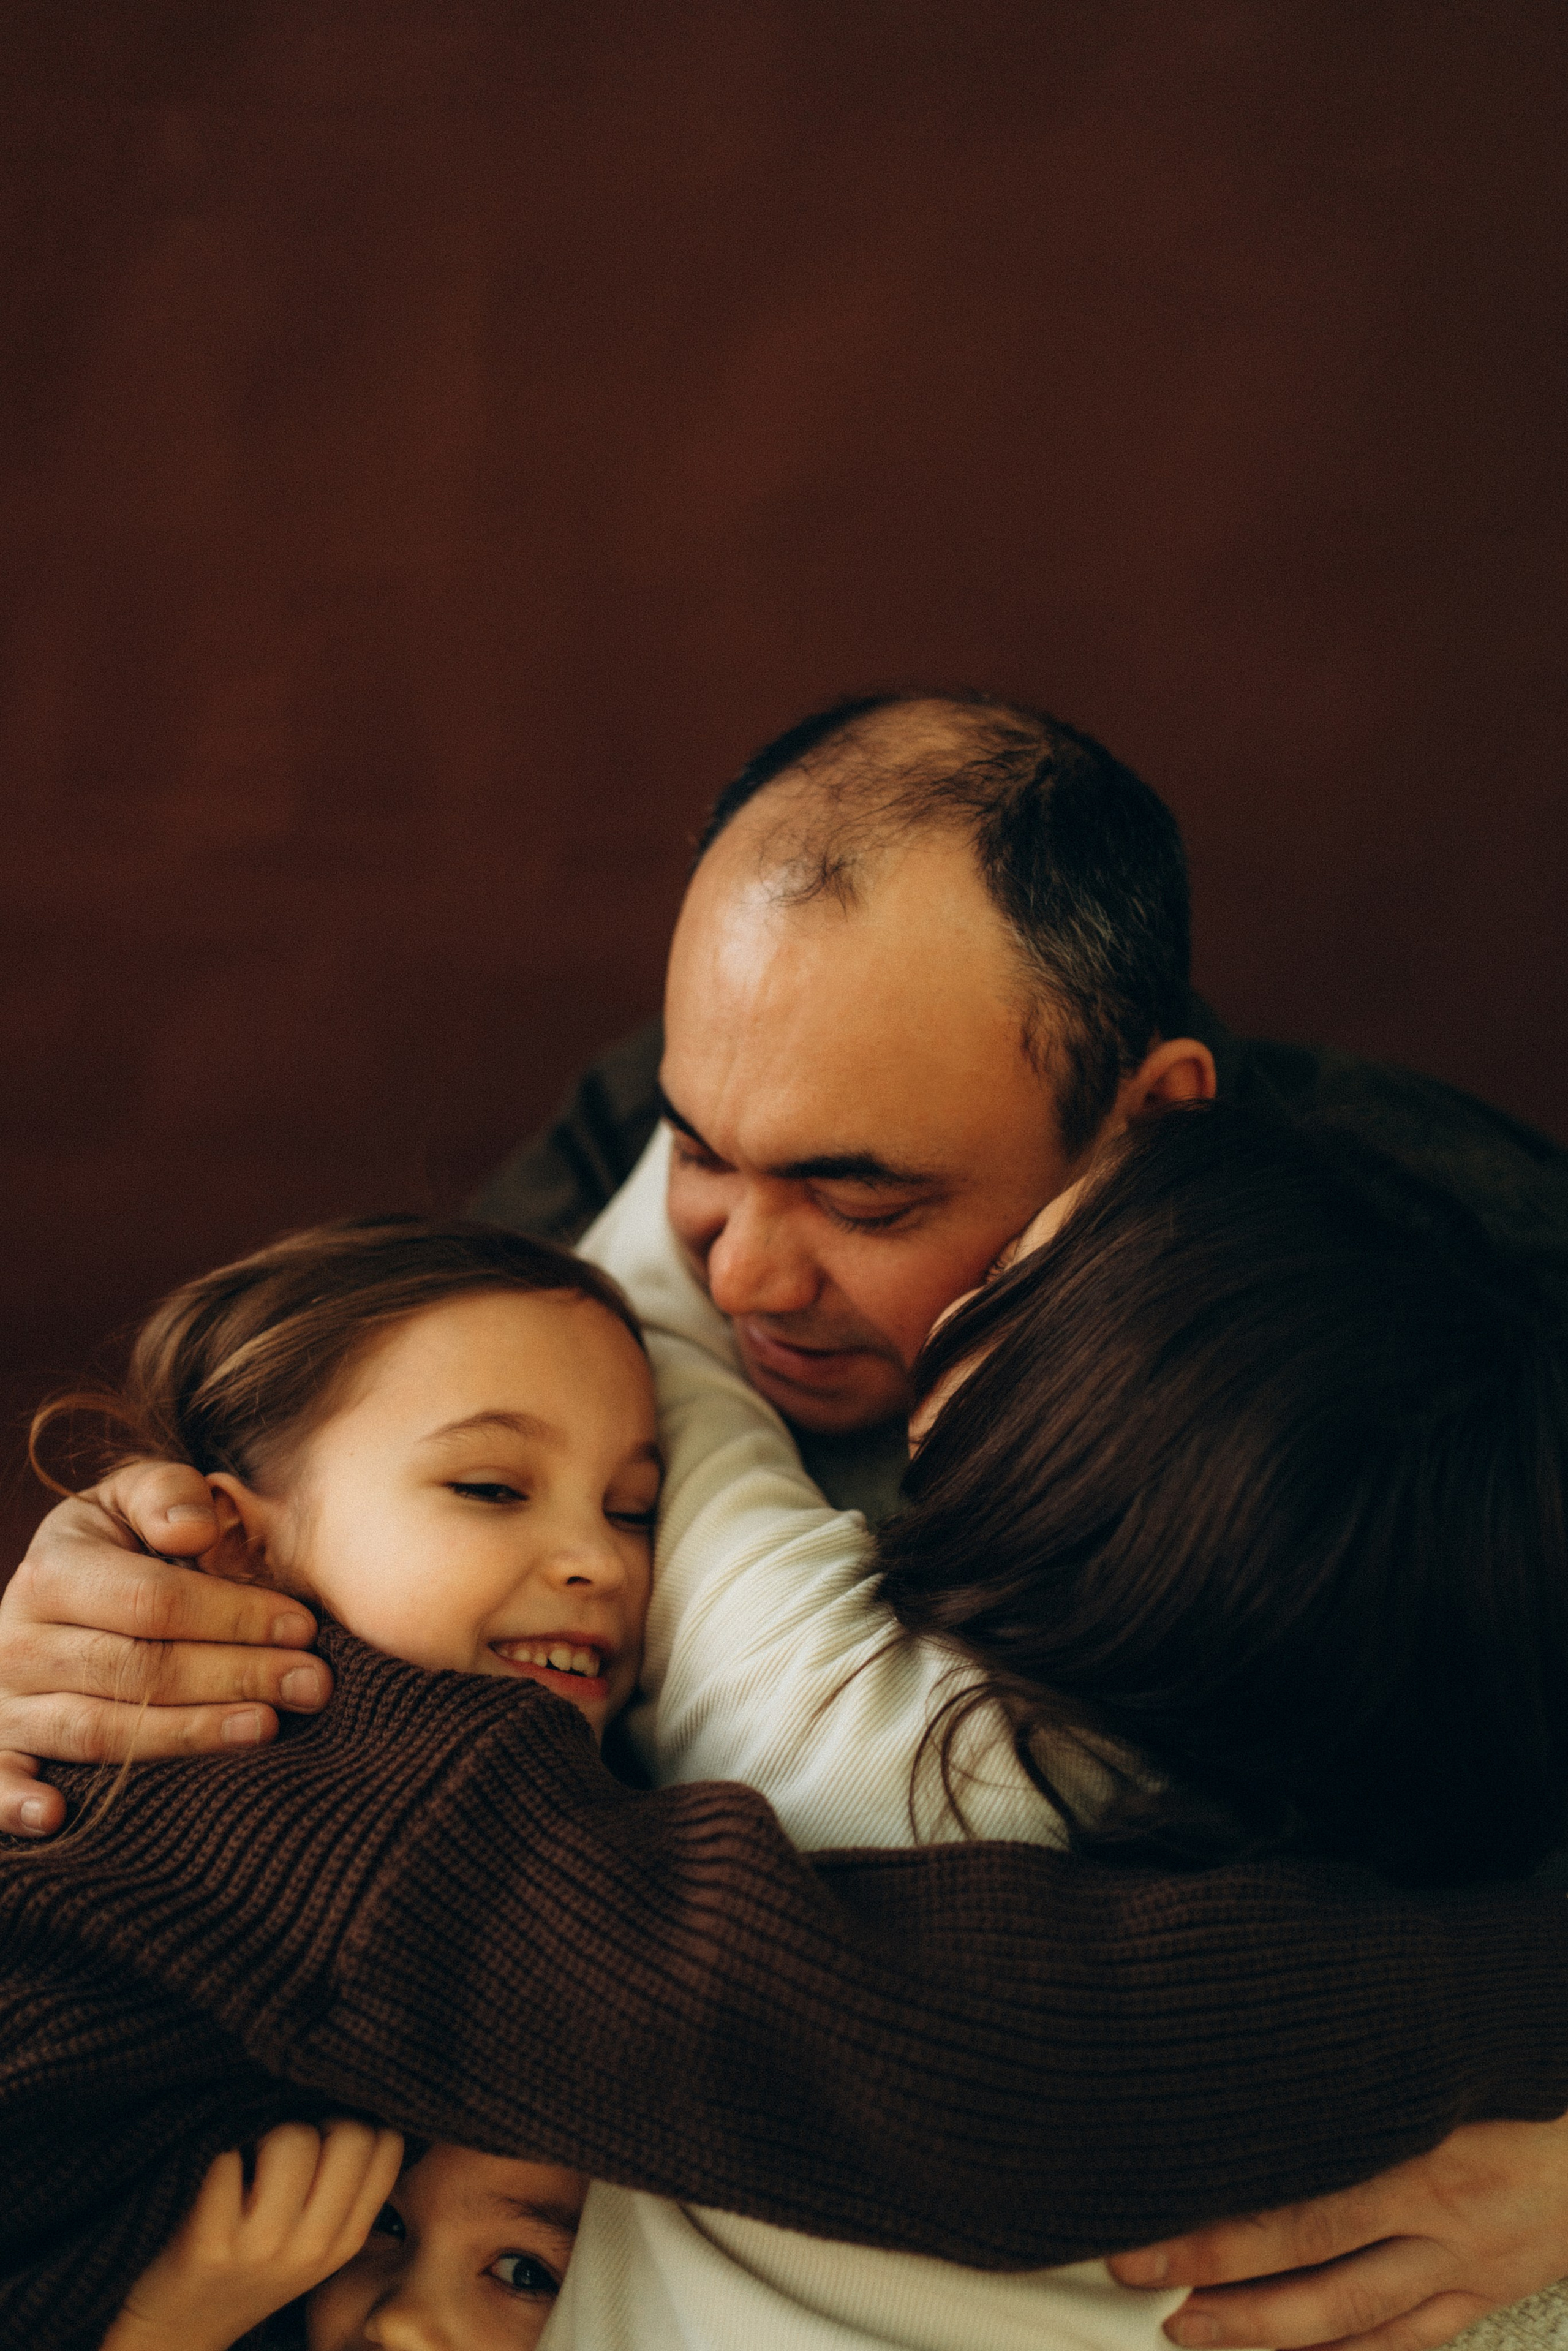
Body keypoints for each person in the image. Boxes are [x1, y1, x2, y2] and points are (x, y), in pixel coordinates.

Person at [6, 689, 1568, 2347]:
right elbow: (339, 1478)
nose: (737, 1275)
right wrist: (110, 1603)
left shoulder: (1482, 1335)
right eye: (701, 1155)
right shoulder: (671, 1115)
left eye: (862, 1194)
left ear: (1149, 1127)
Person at [547, 1100, 1568, 2347]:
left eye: (1010, 1276)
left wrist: (713, 1118)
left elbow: (647, 1333)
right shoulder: (1382, 1941)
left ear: (1054, 1430)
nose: (961, 1294)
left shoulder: (827, 1705)